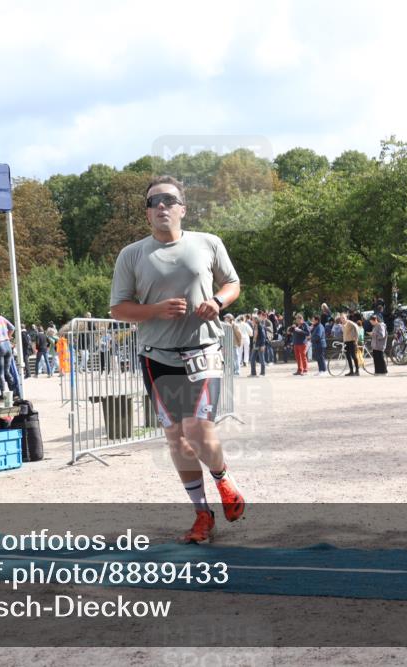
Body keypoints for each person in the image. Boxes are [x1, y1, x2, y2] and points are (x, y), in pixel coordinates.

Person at [110, 175, 244, 544]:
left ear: (183, 208)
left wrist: (217, 301)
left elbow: (232, 284)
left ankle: (223, 479)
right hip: (157, 358)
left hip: (203, 350)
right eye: (153, 202)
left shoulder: (208, 243)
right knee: (176, 439)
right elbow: (118, 309)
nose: (161, 206)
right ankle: (202, 515)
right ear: (147, 213)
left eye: (169, 200)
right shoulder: (132, 255)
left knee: (197, 430)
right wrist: (155, 310)